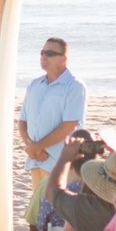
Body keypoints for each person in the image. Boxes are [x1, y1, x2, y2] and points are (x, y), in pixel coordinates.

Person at [18, 38, 87, 203]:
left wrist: (37, 147)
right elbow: (22, 121)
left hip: (60, 160)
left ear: (64, 58)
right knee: (38, 211)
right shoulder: (35, 85)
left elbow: (68, 126)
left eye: (50, 53)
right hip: (36, 158)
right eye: (42, 53)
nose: (44, 57)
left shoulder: (74, 86)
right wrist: (30, 146)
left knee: (56, 213)